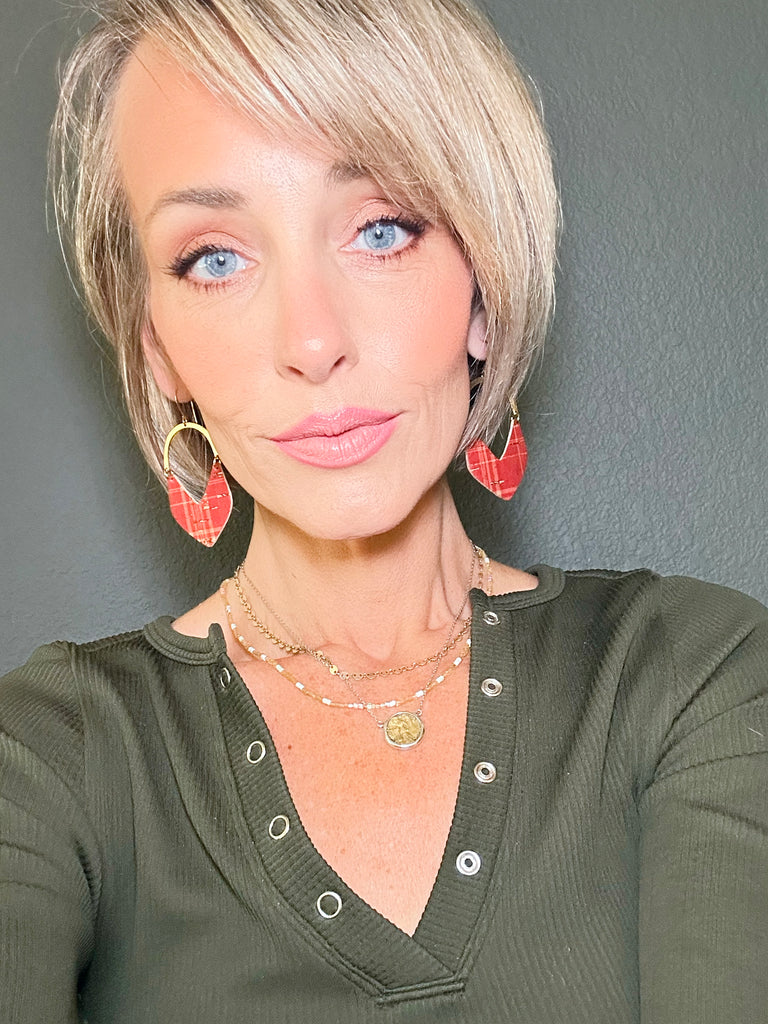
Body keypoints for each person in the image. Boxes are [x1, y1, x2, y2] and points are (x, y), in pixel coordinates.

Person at [1, 0, 767, 1020]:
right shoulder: (51, 755)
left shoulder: (690, 673)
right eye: (215, 258)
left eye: (380, 229)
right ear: (157, 346)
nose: (313, 342)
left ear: (482, 285)